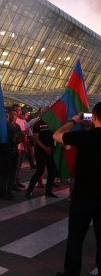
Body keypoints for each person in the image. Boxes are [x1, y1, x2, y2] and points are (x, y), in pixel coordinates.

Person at [53, 104, 101, 276]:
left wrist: (73, 121)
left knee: (75, 238)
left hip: (83, 196)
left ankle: (71, 273)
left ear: (94, 117)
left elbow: (56, 135)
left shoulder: (84, 136)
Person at [25, 107, 57, 199]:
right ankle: (29, 190)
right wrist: (45, 148)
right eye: (44, 113)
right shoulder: (38, 124)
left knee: (52, 171)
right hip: (40, 151)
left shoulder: (53, 123)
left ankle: (49, 191)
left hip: (51, 150)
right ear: (40, 114)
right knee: (40, 171)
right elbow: (35, 138)